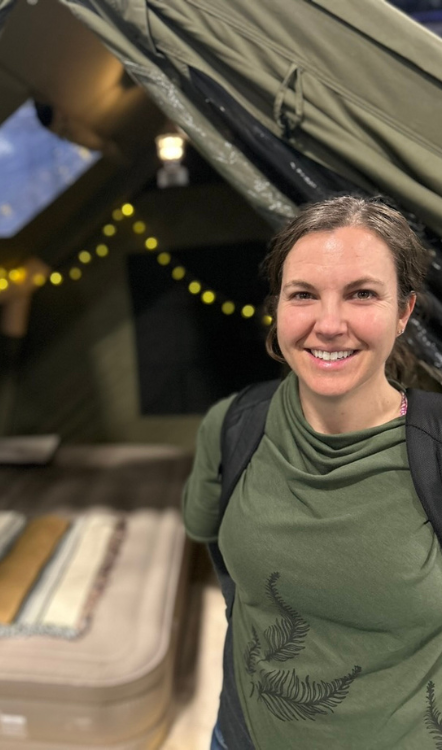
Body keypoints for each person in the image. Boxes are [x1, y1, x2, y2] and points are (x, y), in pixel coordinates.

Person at [182, 196, 442, 749]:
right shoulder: (231, 426)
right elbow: (210, 538)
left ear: (404, 312)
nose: (328, 325)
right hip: (240, 736)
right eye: (303, 295)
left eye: (362, 294)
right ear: (278, 308)